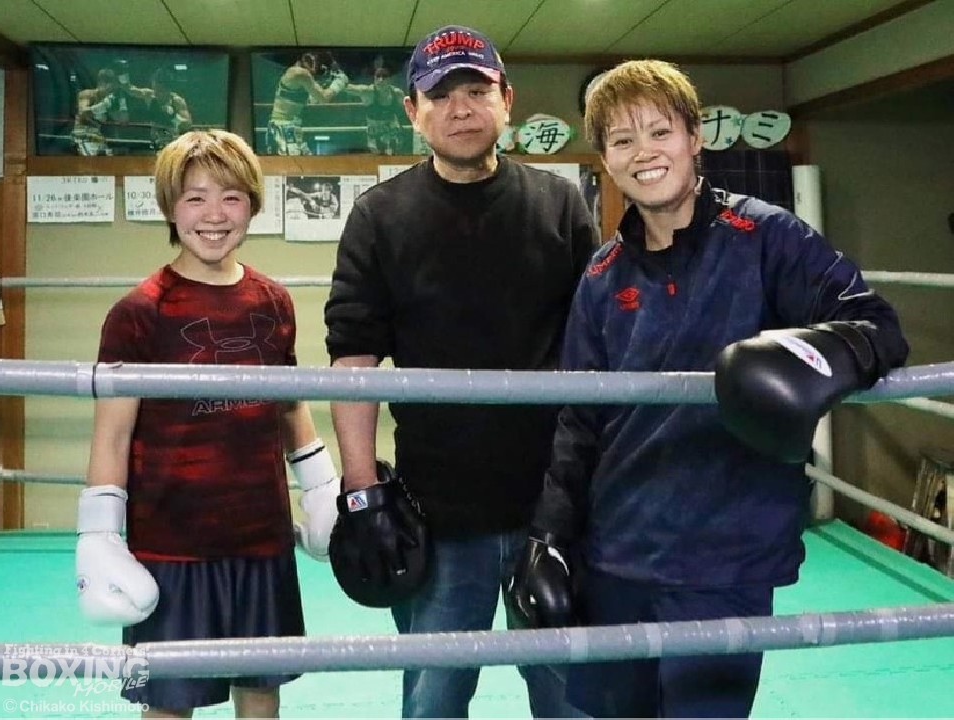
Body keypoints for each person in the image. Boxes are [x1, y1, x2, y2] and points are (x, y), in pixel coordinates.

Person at [506, 59, 910, 718]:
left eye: (659, 132)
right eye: (622, 140)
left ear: (694, 138)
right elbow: (579, 420)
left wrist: (815, 357)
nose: (644, 153)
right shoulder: (601, 276)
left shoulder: (766, 237)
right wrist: (549, 534)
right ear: (606, 160)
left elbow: (876, 324)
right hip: (618, 553)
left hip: (723, 561)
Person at [324, 24, 598, 720]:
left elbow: (596, 342)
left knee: (571, 697)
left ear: (507, 100)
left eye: (476, 90)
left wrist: (598, 478)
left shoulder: (560, 203)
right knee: (434, 700)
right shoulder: (379, 217)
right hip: (437, 508)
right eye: (441, 95)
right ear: (412, 112)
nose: (461, 109)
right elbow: (354, 354)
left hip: (553, 503)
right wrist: (361, 490)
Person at [75, 129, 340, 718]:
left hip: (261, 536)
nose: (214, 215)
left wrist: (322, 487)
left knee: (261, 692)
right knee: (169, 702)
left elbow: (290, 403)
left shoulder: (273, 301)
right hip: (172, 545)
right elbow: (112, 432)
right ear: (171, 208)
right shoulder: (139, 312)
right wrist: (99, 536)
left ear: (252, 204)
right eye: (195, 198)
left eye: (231, 197)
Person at [266, 52, 349, 155]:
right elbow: (323, 98)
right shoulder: (300, 73)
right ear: (307, 59)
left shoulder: (297, 76)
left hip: (288, 128)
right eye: (318, 62)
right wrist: (339, 83)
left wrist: (327, 85)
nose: (318, 68)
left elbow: (312, 100)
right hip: (283, 128)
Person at [128, 67, 193, 151]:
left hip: (172, 143)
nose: (156, 93)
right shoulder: (150, 95)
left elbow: (187, 124)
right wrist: (121, 82)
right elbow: (131, 90)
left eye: (159, 90)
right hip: (155, 141)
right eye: (154, 89)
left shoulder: (177, 101)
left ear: (168, 89)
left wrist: (174, 117)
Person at [346, 67, 407, 155]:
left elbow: (406, 110)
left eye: (384, 77)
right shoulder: (367, 92)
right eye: (378, 77)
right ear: (374, 79)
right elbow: (347, 88)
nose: (381, 80)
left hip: (392, 127)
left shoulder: (397, 93)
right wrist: (337, 82)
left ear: (389, 80)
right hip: (374, 129)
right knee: (378, 154)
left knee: (394, 153)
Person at [73, 67, 128, 156]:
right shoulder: (88, 94)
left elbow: (123, 121)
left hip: (98, 137)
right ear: (102, 83)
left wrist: (122, 105)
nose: (113, 90)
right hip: (83, 135)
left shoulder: (110, 100)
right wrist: (103, 106)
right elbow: (83, 112)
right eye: (112, 86)